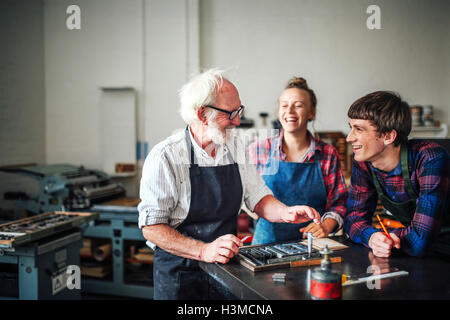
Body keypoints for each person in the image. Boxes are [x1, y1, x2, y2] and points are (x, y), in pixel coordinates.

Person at [137, 68, 321, 300]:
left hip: (226, 270)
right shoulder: (166, 156)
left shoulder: (234, 148)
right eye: (230, 113)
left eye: (239, 110)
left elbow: (258, 198)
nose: (237, 120)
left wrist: (286, 212)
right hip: (180, 275)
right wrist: (204, 250)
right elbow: (152, 228)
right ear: (202, 114)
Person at [344, 91, 449, 258]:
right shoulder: (363, 161)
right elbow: (352, 219)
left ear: (388, 136)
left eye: (358, 129)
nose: (349, 138)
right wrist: (373, 237)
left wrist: (386, 238)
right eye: (351, 128)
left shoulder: (430, 158)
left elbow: (420, 240)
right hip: (412, 252)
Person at [248, 77, 348, 245]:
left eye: (299, 105)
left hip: (312, 245)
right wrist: (256, 209)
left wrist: (325, 226)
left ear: (311, 112)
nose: (290, 111)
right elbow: (241, 196)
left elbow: (339, 204)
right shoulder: (258, 150)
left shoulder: (327, 154)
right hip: (265, 247)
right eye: (284, 105)